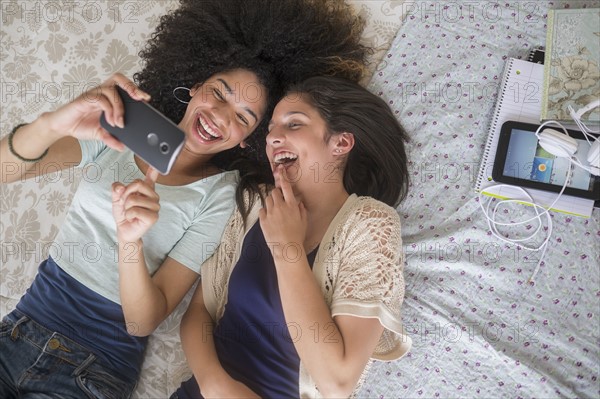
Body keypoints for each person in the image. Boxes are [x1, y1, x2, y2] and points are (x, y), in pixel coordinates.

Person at [0, 0, 370, 397]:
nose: (221, 116)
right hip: (17, 331)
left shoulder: (221, 195)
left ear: (249, 139)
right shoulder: (120, 131)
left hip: (93, 368)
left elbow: (143, 322)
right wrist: (52, 122)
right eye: (218, 93)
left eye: (244, 117)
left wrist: (131, 241)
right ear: (195, 86)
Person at [171, 76, 413, 399]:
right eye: (270, 129)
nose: (272, 138)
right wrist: (216, 384)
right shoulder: (254, 202)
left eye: (293, 124)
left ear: (340, 144)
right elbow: (198, 313)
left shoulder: (370, 224)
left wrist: (288, 250)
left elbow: (338, 382)